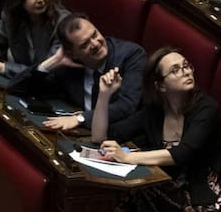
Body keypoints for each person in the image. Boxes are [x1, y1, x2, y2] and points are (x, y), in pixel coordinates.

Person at [92, 46, 221, 212]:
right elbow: (101, 137)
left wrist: (127, 157)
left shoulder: (206, 108)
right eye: (175, 70)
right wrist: (104, 95)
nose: (186, 72)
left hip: (200, 204)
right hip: (166, 197)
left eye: (186, 66)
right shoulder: (154, 111)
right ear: (161, 86)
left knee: (125, 209)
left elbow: (182, 154)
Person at [8, 12, 145, 130]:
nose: (95, 44)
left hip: (116, 137)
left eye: (95, 34)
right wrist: (52, 61)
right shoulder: (68, 66)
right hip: (77, 133)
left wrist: (81, 118)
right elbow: (16, 87)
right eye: (85, 44)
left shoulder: (130, 55)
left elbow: (126, 105)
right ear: (72, 53)